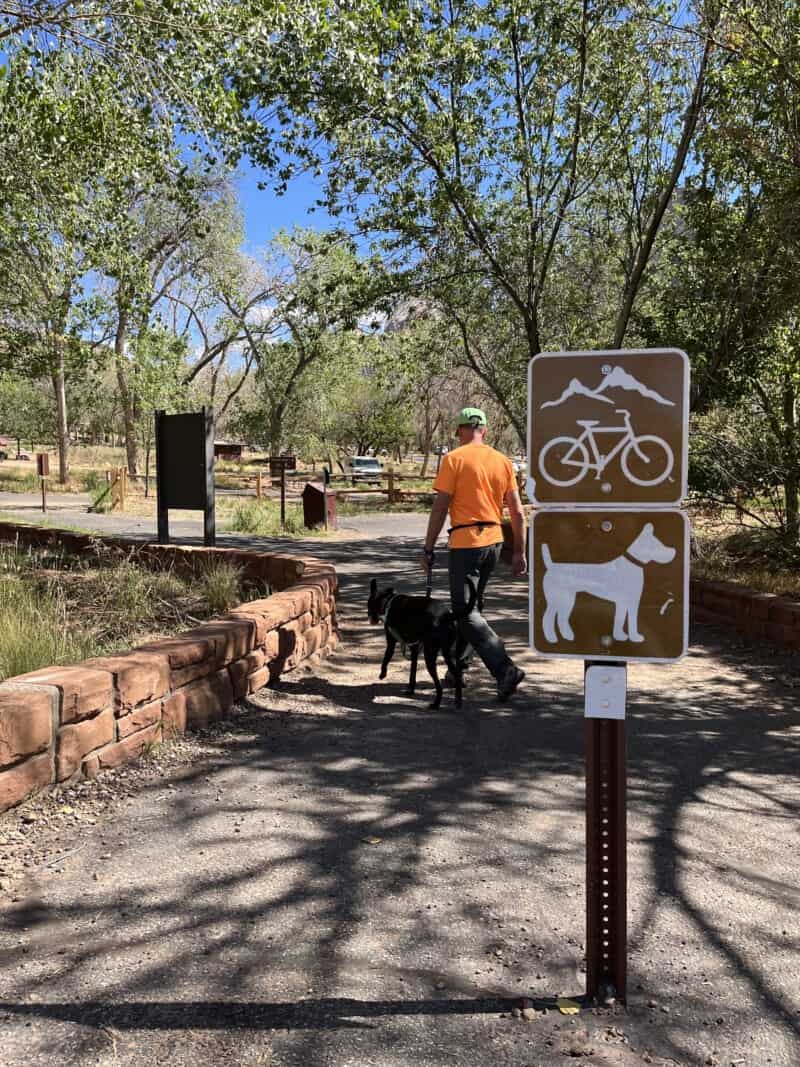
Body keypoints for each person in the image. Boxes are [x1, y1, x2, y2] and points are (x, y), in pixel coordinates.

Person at [421, 406, 527, 702]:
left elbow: (440, 507)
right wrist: (518, 550)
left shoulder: (454, 459)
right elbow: (517, 511)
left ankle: (504, 668)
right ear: (485, 430)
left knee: (465, 613)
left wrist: (428, 547)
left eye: (458, 432)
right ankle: (458, 669)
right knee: (472, 609)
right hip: (494, 542)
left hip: (466, 544)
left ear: (462, 430)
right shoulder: (503, 461)